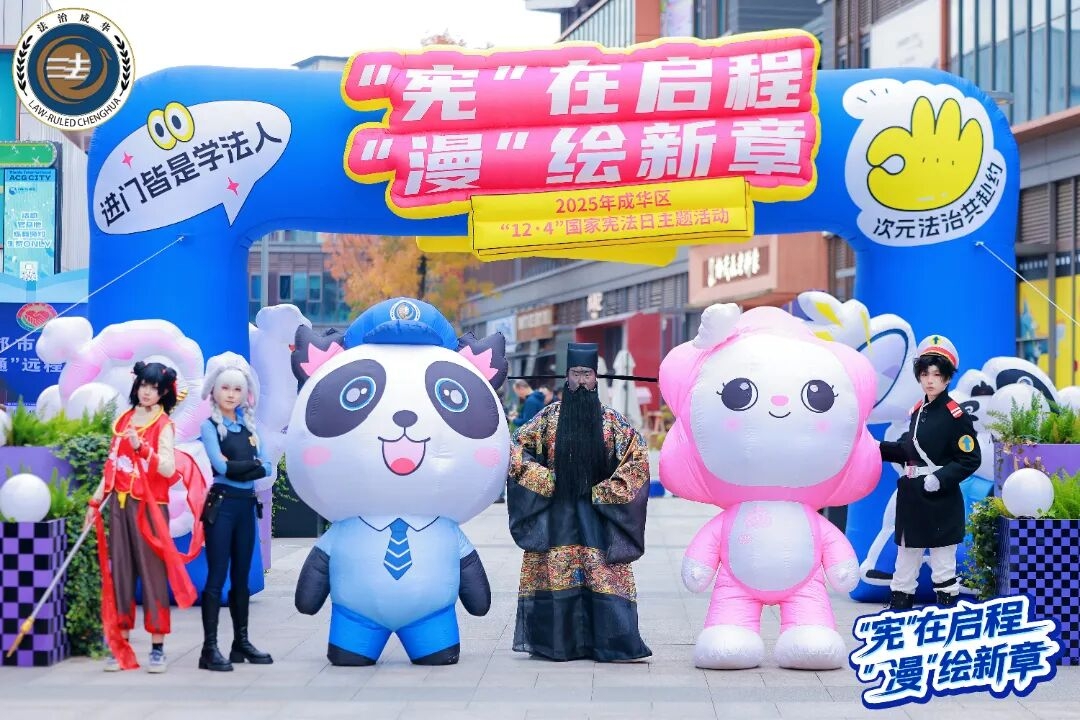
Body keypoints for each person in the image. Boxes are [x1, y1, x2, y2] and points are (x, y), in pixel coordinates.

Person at [506, 342, 652, 662]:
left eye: (587, 374)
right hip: (556, 515)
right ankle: (557, 644)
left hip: (597, 516)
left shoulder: (612, 421)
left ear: (596, 378)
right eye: (576, 374)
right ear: (567, 377)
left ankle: (609, 644)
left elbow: (637, 460)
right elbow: (515, 449)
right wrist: (547, 480)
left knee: (602, 575)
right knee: (554, 576)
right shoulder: (548, 418)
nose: (582, 381)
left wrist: (605, 491)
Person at [86, 361, 196, 673]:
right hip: (119, 506)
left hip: (149, 508)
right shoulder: (123, 420)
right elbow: (112, 465)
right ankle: (120, 644)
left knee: (152, 574)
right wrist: (95, 502)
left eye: (154, 388)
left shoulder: (163, 425)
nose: (147, 392)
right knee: (120, 573)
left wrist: (143, 448)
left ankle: (157, 648)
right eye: (144, 385)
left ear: (163, 393)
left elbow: (169, 469)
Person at [879, 335, 981, 611]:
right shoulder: (918, 410)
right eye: (925, 374)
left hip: (940, 499)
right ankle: (899, 617)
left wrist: (941, 478)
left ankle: (946, 620)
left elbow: (970, 458)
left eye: (937, 374)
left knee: (943, 564)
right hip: (913, 496)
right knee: (905, 562)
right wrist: (877, 448)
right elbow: (908, 450)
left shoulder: (956, 415)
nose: (930, 380)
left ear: (947, 378)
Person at [197, 352, 274, 671]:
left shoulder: (250, 427)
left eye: (237, 389)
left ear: (245, 393)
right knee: (217, 576)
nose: (231, 394)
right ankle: (209, 648)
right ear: (214, 390)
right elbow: (220, 466)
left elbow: (268, 466)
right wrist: (250, 466)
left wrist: (243, 467)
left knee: (241, 577)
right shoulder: (210, 426)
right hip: (222, 505)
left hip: (245, 507)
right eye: (225, 388)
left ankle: (240, 642)